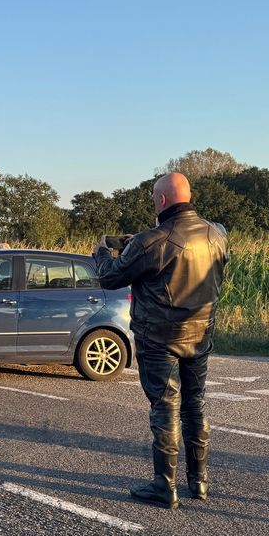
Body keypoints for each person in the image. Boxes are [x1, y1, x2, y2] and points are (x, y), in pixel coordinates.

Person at [94, 172, 228, 510]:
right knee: (195, 404)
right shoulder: (218, 234)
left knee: (165, 407)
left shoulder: (151, 241)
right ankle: (199, 482)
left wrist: (102, 252)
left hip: (159, 337)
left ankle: (163, 486)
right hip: (200, 332)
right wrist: (136, 241)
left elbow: (110, 277)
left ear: (163, 200)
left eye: (155, 198)